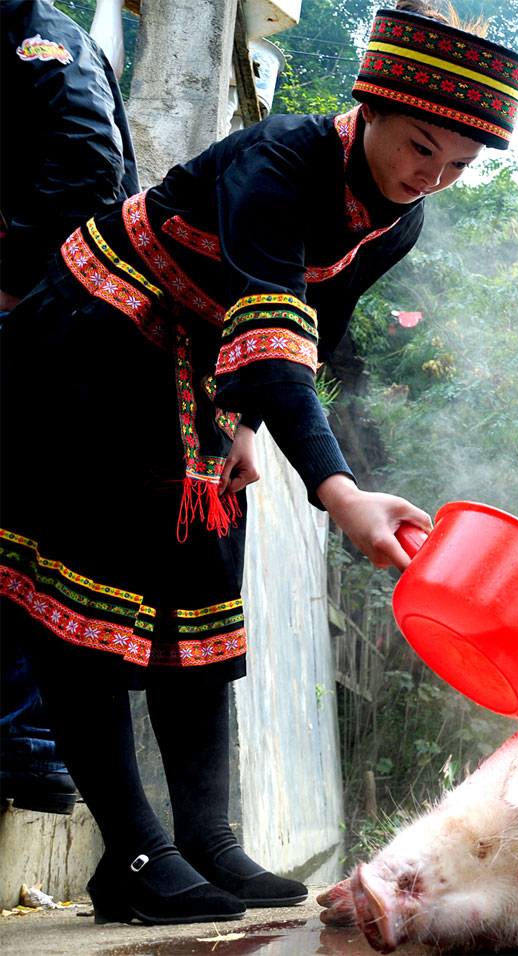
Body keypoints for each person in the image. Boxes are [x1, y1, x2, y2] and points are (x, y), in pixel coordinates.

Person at [0, 1, 518, 926]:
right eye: (419, 148)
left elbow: (319, 337)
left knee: (201, 585)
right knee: (86, 597)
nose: (431, 178)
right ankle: (132, 853)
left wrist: (245, 423)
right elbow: (275, 341)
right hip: (92, 342)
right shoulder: (278, 163)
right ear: (366, 110)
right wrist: (339, 494)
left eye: (458, 165)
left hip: (199, 373)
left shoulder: (393, 220)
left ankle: (207, 839)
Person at [0, 0, 140, 815]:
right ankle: (30, 742)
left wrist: (16, 278)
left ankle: (27, 742)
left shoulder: (42, 38)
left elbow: (88, 165)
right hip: (57, 320)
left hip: (49, 317)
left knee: (21, 522)